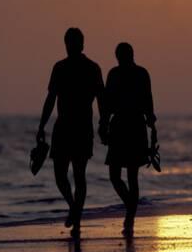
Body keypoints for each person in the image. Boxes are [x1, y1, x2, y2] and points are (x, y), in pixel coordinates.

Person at [37, 28, 105, 237]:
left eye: (76, 42)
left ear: (82, 44)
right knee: (60, 175)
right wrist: (41, 126)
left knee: (78, 174)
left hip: (81, 127)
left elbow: (101, 99)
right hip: (64, 127)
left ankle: (76, 217)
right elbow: (50, 99)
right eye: (70, 42)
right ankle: (74, 208)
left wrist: (103, 123)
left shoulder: (92, 68)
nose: (73, 46)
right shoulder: (59, 68)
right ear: (66, 44)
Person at [101, 42, 157, 236]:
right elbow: (107, 104)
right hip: (121, 126)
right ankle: (130, 208)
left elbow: (148, 100)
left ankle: (130, 216)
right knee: (115, 176)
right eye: (120, 56)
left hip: (133, 125)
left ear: (130, 55)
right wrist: (103, 125)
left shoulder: (140, 73)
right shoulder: (114, 74)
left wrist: (152, 124)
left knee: (130, 176)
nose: (121, 59)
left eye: (123, 55)